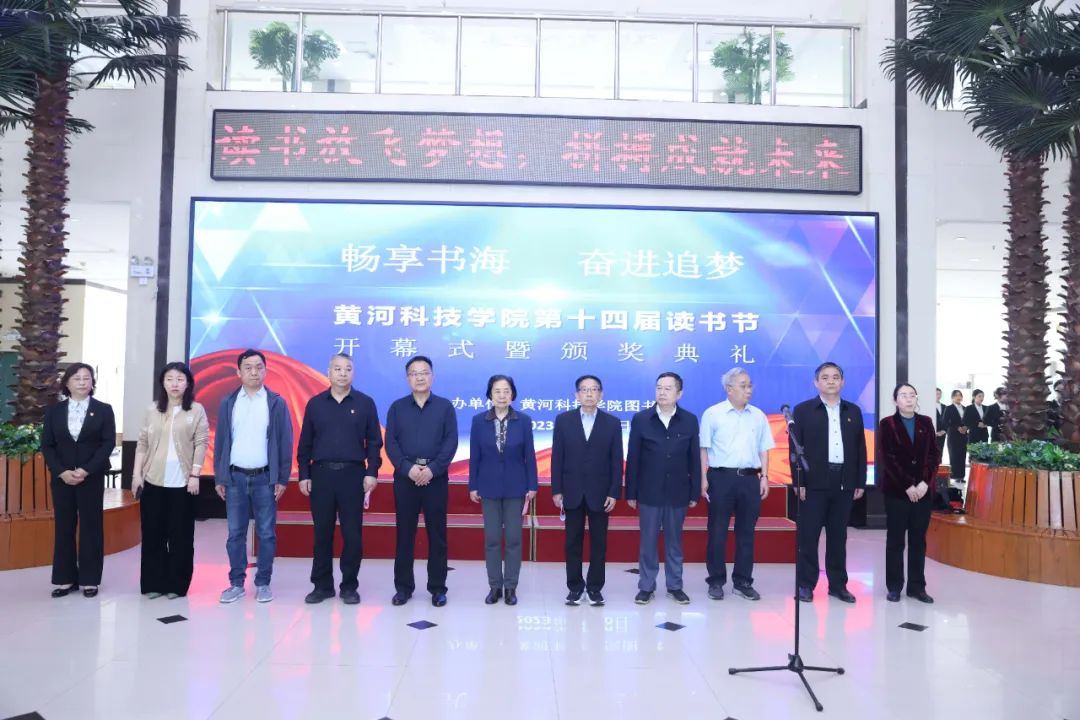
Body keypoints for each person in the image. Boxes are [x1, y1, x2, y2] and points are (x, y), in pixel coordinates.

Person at [297, 354, 382, 605]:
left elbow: (374, 442)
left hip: (353, 475)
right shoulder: (315, 404)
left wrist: (372, 472)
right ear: (329, 372)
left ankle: (349, 586)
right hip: (321, 475)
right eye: (337, 369)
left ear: (353, 373)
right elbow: (305, 444)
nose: (342, 373)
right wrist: (304, 474)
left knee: (352, 535)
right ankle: (322, 586)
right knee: (322, 533)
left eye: (347, 369)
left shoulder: (365, 403)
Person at [213, 349, 294, 605]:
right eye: (248, 367)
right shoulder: (228, 402)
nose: (254, 372)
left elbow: (285, 442)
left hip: (265, 479)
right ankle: (236, 583)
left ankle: (263, 583)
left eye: (259, 367)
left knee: (266, 533)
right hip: (235, 478)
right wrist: (220, 477)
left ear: (265, 371)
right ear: (238, 372)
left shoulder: (276, 403)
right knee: (235, 534)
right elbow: (221, 442)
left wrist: (282, 478)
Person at [385, 355, 459, 608]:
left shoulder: (444, 407)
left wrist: (432, 469)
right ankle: (403, 588)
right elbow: (391, 443)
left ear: (432, 376)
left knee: (437, 535)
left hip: (435, 479)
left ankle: (437, 588)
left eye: (424, 372)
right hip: (405, 479)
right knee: (404, 535)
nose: (420, 377)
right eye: (415, 373)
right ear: (408, 378)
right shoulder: (397, 408)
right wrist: (408, 469)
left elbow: (451, 442)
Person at [131, 362, 209, 600]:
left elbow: (201, 443)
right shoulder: (152, 409)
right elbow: (142, 443)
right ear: (163, 383)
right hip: (153, 481)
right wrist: (136, 475)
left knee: (181, 537)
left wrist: (195, 474)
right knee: (153, 534)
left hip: (183, 484)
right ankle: (154, 583)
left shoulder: (196, 410)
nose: (175, 384)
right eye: (169, 379)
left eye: (180, 379)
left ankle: (177, 584)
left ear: (188, 383)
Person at [792, 361, 867, 604]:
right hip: (813, 482)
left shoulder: (853, 411)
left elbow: (860, 448)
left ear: (842, 382)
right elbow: (795, 450)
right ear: (816, 383)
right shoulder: (803, 410)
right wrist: (799, 481)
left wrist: (860, 481)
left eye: (835, 377)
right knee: (809, 536)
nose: (831, 381)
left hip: (844, 481)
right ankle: (805, 584)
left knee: (838, 537)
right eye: (825, 377)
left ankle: (837, 585)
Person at [697, 367, 773, 602]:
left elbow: (764, 449)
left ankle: (743, 582)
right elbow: (704, 449)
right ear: (729, 389)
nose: (748, 389)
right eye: (743, 385)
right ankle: (716, 581)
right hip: (721, 478)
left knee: (746, 533)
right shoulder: (713, 414)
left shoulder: (758, 415)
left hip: (750, 479)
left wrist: (765, 477)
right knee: (717, 532)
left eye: (749, 385)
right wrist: (703, 478)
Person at [41, 363, 116, 598]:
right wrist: (61, 471)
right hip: (62, 478)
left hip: (91, 477)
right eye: (77, 378)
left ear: (92, 382)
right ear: (67, 383)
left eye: (87, 378)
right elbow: (47, 445)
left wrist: (86, 470)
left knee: (91, 527)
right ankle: (65, 579)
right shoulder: (54, 411)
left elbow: (108, 443)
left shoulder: (103, 410)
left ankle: (89, 580)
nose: (83, 382)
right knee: (64, 527)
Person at [626, 372, 701, 605]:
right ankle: (646, 586)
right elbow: (633, 457)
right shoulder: (641, 419)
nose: (662, 392)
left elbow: (694, 458)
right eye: (659, 387)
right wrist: (631, 492)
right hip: (649, 491)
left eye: (668, 388)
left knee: (674, 542)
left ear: (679, 393)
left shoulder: (689, 420)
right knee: (648, 541)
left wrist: (694, 491)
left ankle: (675, 586)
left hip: (678, 491)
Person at [551, 374, 623, 607]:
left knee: (599, 543)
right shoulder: (564, 420)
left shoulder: (612, 423)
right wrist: (556, 490)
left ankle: (594, 588)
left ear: (601, 394)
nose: (589, 394)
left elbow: (616, 461)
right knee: (572, 542)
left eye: (594, 389)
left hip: (601, 493)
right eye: (584, 389)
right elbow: (557, 458)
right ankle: (574, 587)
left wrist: (614, 492)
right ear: (577, 395)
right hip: (571, 491)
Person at [468, 374, 538, 606]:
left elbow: (529, 455)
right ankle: (494, 586)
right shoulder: (479, 421)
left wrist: (532, 485)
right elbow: (475, 456)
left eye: (506, 391)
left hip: (516, 487)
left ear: (512, 394)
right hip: (488, 487)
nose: (502, 395)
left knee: (514, 539)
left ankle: (510, 587)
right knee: (492, 539)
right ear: (490, 394)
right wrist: (473, 485)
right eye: (497, 391)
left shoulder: (523, 421)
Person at [879, 383, 937, 604]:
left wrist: (924, 484)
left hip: (923, 492)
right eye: (903, 395)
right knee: (895, 540)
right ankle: (894, 586)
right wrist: (908, 485)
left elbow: (934, 455)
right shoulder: (887, 424)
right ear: (895, 400)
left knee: (918, 540)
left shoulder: (926, 422)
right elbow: (888, 459)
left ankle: (917, 587)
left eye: (912, 394)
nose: (909, 398)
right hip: (897, 492)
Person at [943, 390, 968, 483]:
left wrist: (966, 427)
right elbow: (945, 421)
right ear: (952, 397)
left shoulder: (965, 408)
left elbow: (968, 420)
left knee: (962, 455)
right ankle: (954, 476)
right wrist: (957, 427)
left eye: (960, 395)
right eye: (956, 395)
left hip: (963, 435)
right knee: (954, 455)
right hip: (953, 435)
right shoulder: (949, 408)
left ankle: (961, 476)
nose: (958, 397)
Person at [934, 388, 947, 459]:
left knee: (940, 452)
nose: (938, 395)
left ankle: (939, 465)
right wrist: (935, 432)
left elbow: (947, 420)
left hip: (942, 433)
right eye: (936, 394)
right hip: (933, 433)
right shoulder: (929, 405)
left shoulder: (945, 407)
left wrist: (944, 430)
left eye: (940, 394)